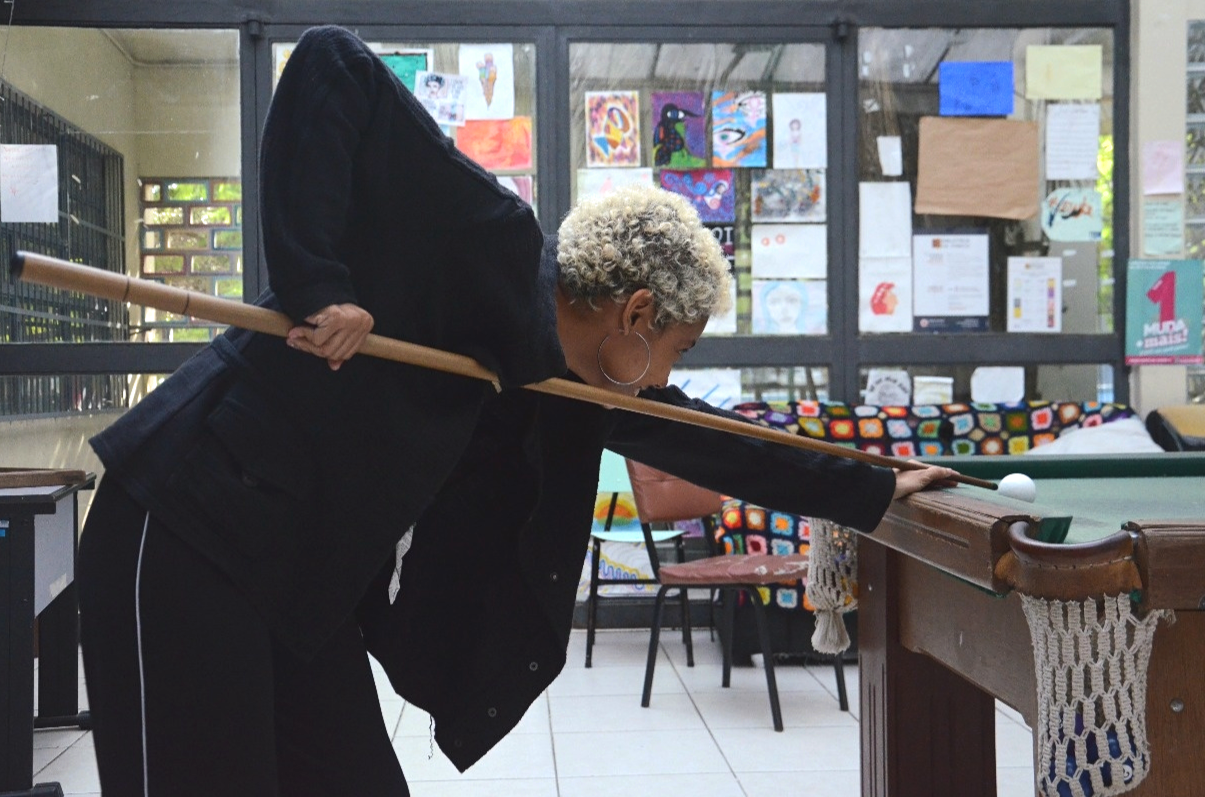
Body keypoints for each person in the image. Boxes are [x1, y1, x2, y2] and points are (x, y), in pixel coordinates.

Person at [76, 25, 956, 797]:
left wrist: (870, 489)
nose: (664, 378)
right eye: (676, 350)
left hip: (301, 579)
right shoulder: (486, 236)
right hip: (186, 525)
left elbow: (710, 439)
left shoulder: (568, 385)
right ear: (637, 314)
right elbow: (330, 61)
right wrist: (316, 284)